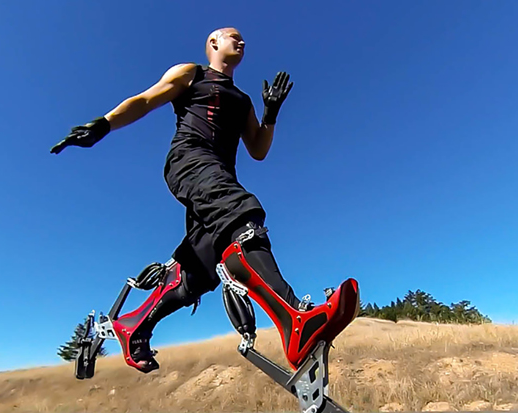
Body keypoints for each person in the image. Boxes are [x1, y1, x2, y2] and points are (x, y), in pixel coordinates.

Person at [51, 27, 337, 373]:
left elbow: (258, 149)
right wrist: (104, 124)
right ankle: (294, 318)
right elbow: (146, 100)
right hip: (190, 159)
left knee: (199, 271)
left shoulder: (243, 99)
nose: (241, 41)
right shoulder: (192, 73)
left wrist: (271, 113)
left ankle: (135, 325)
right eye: (233, 36)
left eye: (243, 38)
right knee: (240, 212)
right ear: (213, 43)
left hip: (220, 175)